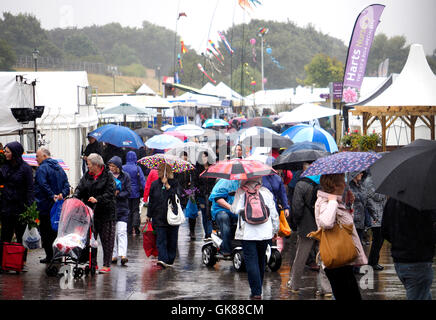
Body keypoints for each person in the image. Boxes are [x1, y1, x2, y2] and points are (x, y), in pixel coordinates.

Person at [314, 173, 367, 300]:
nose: (345, 184)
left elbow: (344, 225)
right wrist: (333, 202)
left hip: (342, 259)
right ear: (335, 185)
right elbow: (326, 222)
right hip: (336, 259)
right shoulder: (326, 201)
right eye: (343, 181)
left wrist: (347, 205)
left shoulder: (334, 200)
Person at [287, 165, 332, 296]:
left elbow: (297, 207)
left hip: (307, 226)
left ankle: (294, 285)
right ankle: (326, 288)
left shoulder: (301, 184)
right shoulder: (326, 183)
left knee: (301, 256)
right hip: (323, 225)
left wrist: (296, 223)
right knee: (324, 256)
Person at [231, 177, 279, 300]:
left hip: (248, 234)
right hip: (265, 233)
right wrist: (275, 230)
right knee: (261, 260)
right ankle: (258, 287)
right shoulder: (265, 191)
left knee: (251, 261)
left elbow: (235, 210)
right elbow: (273, 212)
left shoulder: (241, 192)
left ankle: (256, 292)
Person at [381, 198, 436, 300]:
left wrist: (399, 243)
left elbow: (384, 230)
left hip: (400, 261)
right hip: (419, 261)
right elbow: (430, 232)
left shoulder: (392, 201)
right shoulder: (425, 202)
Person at [73, 153, 116, 274]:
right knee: (90, 240)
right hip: (90, 213)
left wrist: (98, 199)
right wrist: (75, 197)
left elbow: (110, 193)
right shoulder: (87, 175)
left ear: (97, 165)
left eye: (89, 164)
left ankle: (106, 264)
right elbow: (80, 188)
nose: (88, 167)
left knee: (107, 240)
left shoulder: (108, 176)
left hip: (106, 213)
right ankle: (93, 263)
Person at [0, 141, 34, 272]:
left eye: (7, 151)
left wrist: (30, 207)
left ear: (14, 153)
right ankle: (4, 263)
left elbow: (30, 188)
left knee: (21, 236)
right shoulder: (5, 166)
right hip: (7, 206)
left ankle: (20, 262)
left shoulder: (25, 169)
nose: (5, 153)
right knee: (5, 236)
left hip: (21, 207)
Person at [34, 147, 70, 263]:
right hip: (58, 206)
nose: (36, 159)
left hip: (45, 205)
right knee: (56, 231)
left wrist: (52, 195)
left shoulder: (42, 169)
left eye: (37, 156)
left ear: (44, 156)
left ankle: (50, 256)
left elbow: (42, 184)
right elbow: (66, 184)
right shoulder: (59, 168)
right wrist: (61, 194)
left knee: (45, 231)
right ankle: (57, 256)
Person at [145, 163, 182, 268]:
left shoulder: (175, 183)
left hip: (172, 217)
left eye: (163, 170)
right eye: (159, 170)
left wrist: (168, 187)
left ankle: (170, 259)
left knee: (172, 239)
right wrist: (149, 214)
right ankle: (162, 259)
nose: (160, 172)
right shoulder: (154, 184)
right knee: (161, 239)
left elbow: (177, 197)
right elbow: (151, 201)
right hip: (158, 217)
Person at [108, 156, 132, 266]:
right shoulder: (107, 176)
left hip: (122, 208)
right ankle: (113, 254)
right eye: (110, 166)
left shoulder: (125, 176)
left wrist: (118, 194)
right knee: (111, 233)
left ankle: (123, 255)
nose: (111, 168)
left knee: (121, 231)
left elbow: (128, 191)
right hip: (111, 208)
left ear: (118, 167)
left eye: (113, 166)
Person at [209, 178, 240, 258]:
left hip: (238, 210)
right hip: (221, 210)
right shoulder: (225, 182)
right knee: (224, 217)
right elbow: (218, 198)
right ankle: (226, 249)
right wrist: (231, 208)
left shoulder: (246, 182)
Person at [362, 172, 387, 271]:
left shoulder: (376, 179)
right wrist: (385, 190)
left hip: (380, 215)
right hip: (375, 216)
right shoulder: (370, 181)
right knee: (377, 240)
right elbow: (377, 196)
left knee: (379, 240)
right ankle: (373, 262)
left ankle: (374, 261)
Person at [192, 152, 216, 241]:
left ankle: (209, 234)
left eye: (205, 156)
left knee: (210, 214)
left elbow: (214, 181)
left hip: (210, 195)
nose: (204, 158)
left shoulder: (212, 168)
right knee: (204, 214)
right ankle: (207, 233)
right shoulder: (197, 169)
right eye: (202, 157)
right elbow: (195, 183)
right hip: (201, 196)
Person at [122, 151, 146, 235]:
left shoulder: (123, 168)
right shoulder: (137, 168)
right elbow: (143, 181)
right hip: (136, 193)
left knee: (128, 210)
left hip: (126, 192)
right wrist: (146, 192)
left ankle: (128, 229)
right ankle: (135, 226)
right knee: (135, 210)